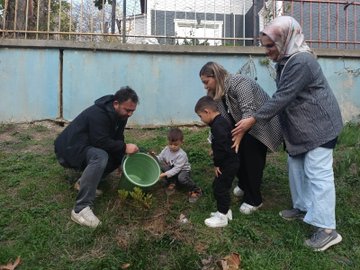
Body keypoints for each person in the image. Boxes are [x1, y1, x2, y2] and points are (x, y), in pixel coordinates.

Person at [233, 16, 343, 251]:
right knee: (296, 168)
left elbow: (283, 97)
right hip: (302, 127)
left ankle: (327, 229)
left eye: (270, 45)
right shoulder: (286, 60)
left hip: (320, 126)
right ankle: (303, 207)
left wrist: (253, 119)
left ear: (286, 39)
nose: (267, 51)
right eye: (265, 45)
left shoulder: (300, 61)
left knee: (317, 174)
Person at [199, 61, 282, 214]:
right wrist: (214, 142)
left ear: (216, 76)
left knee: (252, 160)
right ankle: (244, 185)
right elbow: (217, 120)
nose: (205, 86)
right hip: (240, 127)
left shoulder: (239, 82)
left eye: (206, 82)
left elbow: (248, 111)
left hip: (259, 126)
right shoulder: (215, 94)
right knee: (235, 155)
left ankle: (254, 200)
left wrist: (239, 137)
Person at [54, 86, 140, 228]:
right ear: (116, 104)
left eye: (133, 111)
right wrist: (124, 148)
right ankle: (80, 209)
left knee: (115, 155)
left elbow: (117, 138)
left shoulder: (121, 115)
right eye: (127, 110)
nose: (130, 114)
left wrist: (120, 159)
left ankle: (82, 183)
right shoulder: (98, 113)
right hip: (69, 149)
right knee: (100, 156)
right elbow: (99, 141)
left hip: (87, 145)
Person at [195, 96, 239, 227]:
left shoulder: (217, 126)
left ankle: (222, 216)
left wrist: (217, 164)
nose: (201, 120)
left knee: (220, 188)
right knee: (221, 186)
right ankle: (226, 211)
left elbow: (221, 147)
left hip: (227, 163)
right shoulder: (221, 122)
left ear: (207, 112)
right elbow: (223, 142)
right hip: (231, 160)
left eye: (200, 116)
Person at [151, 127, 202, 203]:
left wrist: (164, 174)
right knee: (160, 164)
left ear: (181, 142)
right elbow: (160, 158)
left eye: (175, 145)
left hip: (183, 170)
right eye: (170, 144)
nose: (172, 146)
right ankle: (173, 182)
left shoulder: (182, 154)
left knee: (181, 178)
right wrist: (154, 157)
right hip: (172, 167)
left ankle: (196, 190)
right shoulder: (166, 149)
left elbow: (177, 169)